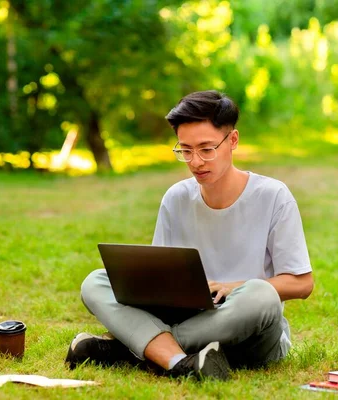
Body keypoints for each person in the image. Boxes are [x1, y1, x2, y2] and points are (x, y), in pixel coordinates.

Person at [66, 90, 314, 381]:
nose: (195, 162)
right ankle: (181, 361)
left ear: (232, 140)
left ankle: (135, 347)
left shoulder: (274, 196)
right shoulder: (176, 198)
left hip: (250, 333)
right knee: (94, 282)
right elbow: (157, 278)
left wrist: (236, 286)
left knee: (263, 296)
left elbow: (302, 283)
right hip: (189, 315)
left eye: (206, 149)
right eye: (185, 150)